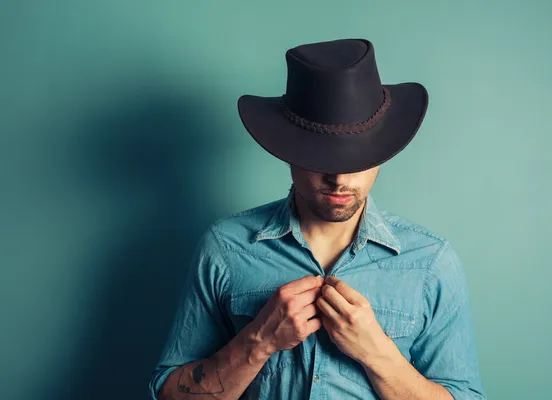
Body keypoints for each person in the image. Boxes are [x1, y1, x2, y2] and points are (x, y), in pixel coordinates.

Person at [148, 38, 486, 400]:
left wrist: (377, 353)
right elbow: (170, 395)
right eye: (320, 156)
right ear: (288, 151)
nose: (339, 178)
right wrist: (257, 341)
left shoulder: (431, 263)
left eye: (357, 159)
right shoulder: (225, 249)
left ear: (382, 153)